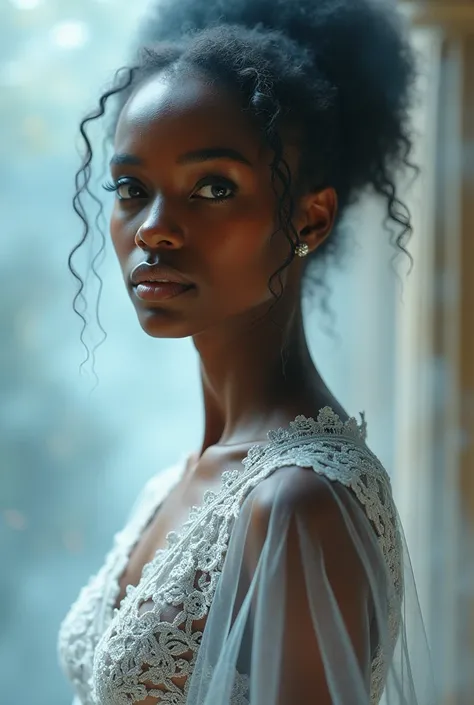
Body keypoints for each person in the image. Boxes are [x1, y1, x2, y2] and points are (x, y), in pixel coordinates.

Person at [58, 0, 436, 703]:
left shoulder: (299, 504)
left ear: (311, 217)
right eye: (132, 189)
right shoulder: (174, 483)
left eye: (212, 187)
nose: (155, 230)